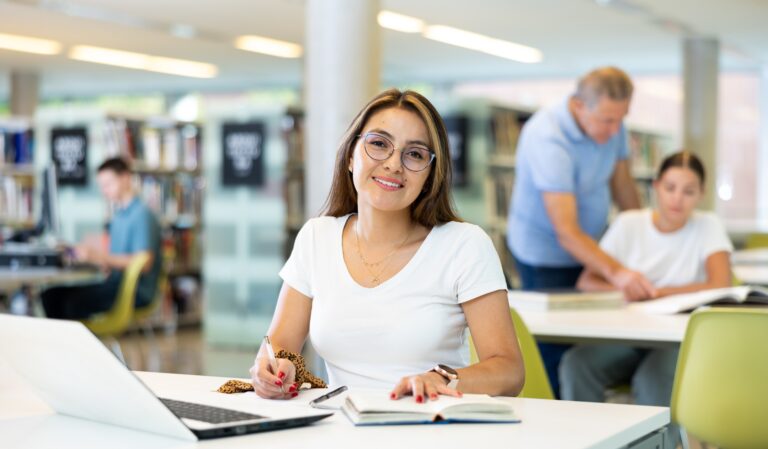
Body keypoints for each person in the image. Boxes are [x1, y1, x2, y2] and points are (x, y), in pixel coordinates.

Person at [250, 89, 524, 401]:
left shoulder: (464, 245)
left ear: (430, 175)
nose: (394, 164)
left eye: (415, 154)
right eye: (379, 144)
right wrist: (273, 369)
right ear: (350, 156)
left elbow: (509, 371)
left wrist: (443, 379)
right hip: (341, 423)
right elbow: (279, 346)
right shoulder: (317, 237)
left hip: (432, 421)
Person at [560, 151, 732, 446]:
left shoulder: (708, 225)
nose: (677, 199)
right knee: (577, 364)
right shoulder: (629, 223)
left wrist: (657, 292)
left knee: (654, 378)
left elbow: (721, 284)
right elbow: (587, 281)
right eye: (670, 188)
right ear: (656, 186)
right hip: (627, 336)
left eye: (688, 191)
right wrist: (624, 289)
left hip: (679, 342)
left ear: (701, 195)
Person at [507, 66, 653, 396]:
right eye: (607, 120)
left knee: (591, 340)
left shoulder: (613, 125)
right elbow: (567, 231)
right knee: (555, 351)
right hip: (545, 256)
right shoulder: (547, 136)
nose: (614, 130)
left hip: (592, 250)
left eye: (621, 119)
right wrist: (618, 272)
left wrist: (644, 238)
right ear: (578, 105)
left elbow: (623, 187)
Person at [41, 157, 162, 320]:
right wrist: (86, 255)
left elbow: (144, 264)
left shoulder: (141, 215)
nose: (104, 190)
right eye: (102, 186)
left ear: (126, 178)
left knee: (71, 303)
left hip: (134, 291)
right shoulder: (118, 216)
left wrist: (100, 257)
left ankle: (82, 337)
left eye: (108, 184)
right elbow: (113, 258)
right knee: (50, 295)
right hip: (114, 283)